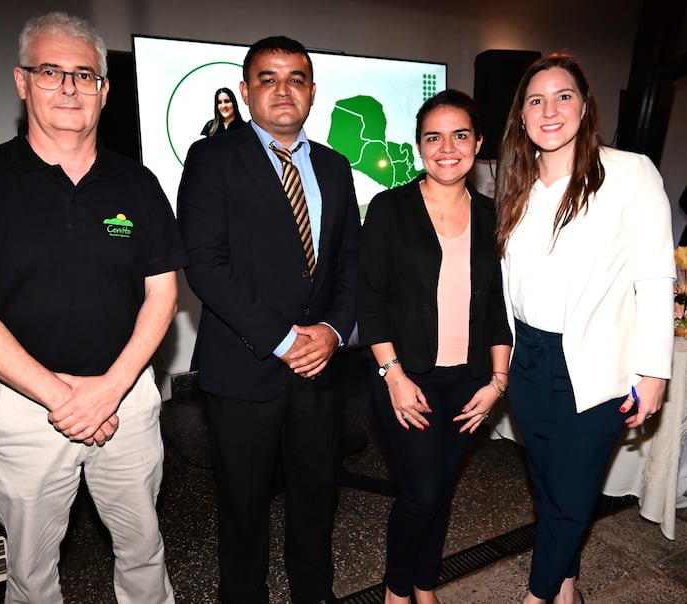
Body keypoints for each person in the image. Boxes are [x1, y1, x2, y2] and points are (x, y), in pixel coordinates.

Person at [0, 12, 186, 604]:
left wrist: (109, 389)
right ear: (22, 82)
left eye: (84, 75)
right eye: (51, 72)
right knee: (31, 569)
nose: (69, 87)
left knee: (144, 549)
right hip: (23, 407)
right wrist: (66, 398)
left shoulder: (139, 184)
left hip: (128, 400)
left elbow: (163, 295)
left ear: (104, 89)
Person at [177, 36, 360, 604]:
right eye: (268, 78)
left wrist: (331, 332)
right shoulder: (212, 158)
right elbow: (205, 264)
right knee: (243, 503)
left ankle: (314, 592)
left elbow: (350, 263)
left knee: (316, 493)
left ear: (312, 91)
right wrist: (283, 340)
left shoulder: (334, 165)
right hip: (246, 364)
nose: (284, 90)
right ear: (247, 88)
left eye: (296, 78)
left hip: (321, 369)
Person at [495, 52, 674, 604]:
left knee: (571, 493)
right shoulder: (515, 184)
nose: (550, 110)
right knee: (547, 484)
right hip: (528, 359)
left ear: (584, 105)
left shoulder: (630, 172)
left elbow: (655, 275)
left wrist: (654, 372)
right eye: (536, 99)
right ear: (521, 115)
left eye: (563, 96)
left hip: (593, 365)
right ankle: (567, 587)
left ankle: (538, 594)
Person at [357, 90, 512, 604]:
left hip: (469, 381)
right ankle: (396, 592)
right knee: (420, 492)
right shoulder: (389, 208)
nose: (448, 147)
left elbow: (495, 306)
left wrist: (497, 383)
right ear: (419, 145)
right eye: (434, 137)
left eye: (460, 135)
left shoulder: (494, 215)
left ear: (478, 142)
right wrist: (394, 378)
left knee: (441, 490)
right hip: (407, 378)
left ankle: (426, 584)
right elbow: (370, 301)